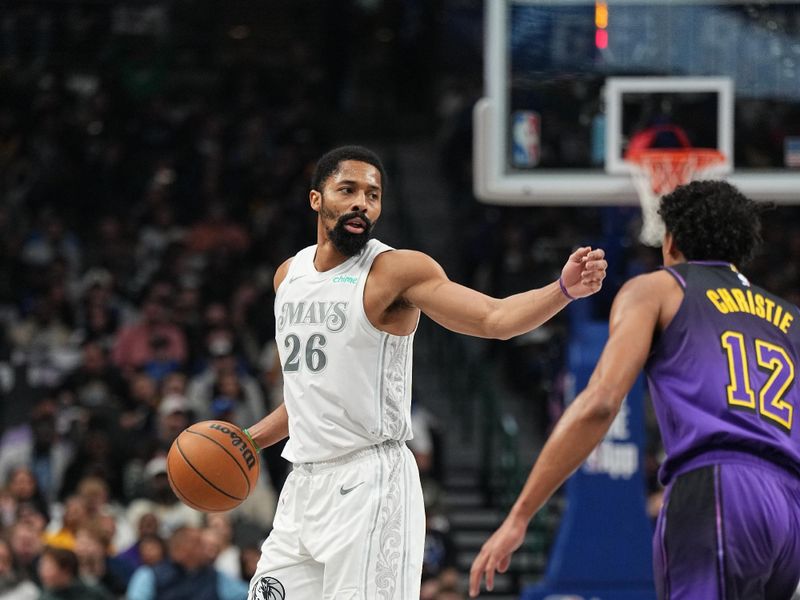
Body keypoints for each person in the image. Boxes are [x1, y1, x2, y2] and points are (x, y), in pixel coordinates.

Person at [241, 145, 607, 599]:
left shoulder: (396, 271)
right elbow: (309, 399)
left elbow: (493, 319)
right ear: (316, 199)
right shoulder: (287, 277)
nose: (361, 203)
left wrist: (562, 290)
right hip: (304, 483)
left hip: (369, 482)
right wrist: (248, 440)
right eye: (348, 190)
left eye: (372, 195)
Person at [469, 180, 800, 599]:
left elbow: (602, 402)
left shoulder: (657, 288)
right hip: (789, 508)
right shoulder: (791, 318)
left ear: (671, 241)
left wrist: (520, 515)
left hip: (719, 487)